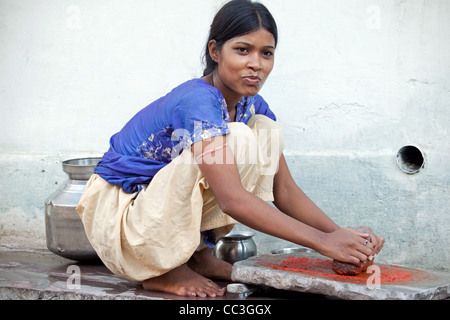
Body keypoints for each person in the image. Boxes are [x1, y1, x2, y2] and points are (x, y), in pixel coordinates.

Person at [77, 0, 385, 298]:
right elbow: (233, 200)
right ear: (215, 51)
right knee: (237, 138)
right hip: (121, 218)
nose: (256, 64)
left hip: (151, 212)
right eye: (242, 50)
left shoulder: (252, 107)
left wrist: (342, 239)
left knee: (264, 130)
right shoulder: (199, 100)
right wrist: (322, 243)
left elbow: (285, 191)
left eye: (267, 53)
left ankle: (197, 255)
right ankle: (162, 271)